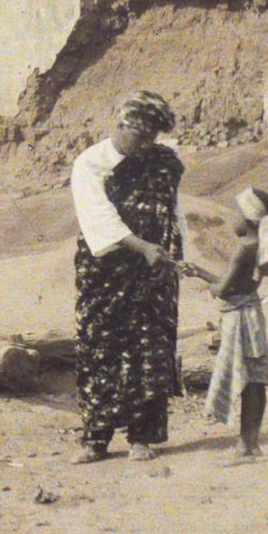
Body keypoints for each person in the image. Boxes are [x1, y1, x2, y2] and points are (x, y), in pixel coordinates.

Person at [69, 90, 188, 464]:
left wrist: (173, 253)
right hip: (106, 271)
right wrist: (143, 247)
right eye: (140, 136)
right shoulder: (90, 163)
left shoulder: (161, 163)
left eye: (152, 138)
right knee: (99, 349)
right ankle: (96, 440)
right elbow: (98, 218)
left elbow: (171, 210)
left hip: (153, 274)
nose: (145, 145)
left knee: (149, 351)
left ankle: (142, 438)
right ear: (121, 125)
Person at [182, 186, 268, 460]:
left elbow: (223, 289)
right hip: (252, 316)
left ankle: (246, 444)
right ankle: (250, 441)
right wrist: (200, 272)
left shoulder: (243, 250)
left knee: (245, 379)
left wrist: (207, 284)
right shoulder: (258, 248)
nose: (232, 219)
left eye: (236, 214)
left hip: (239, 318)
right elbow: (235, 282)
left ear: (248, 219)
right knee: (255, 380)